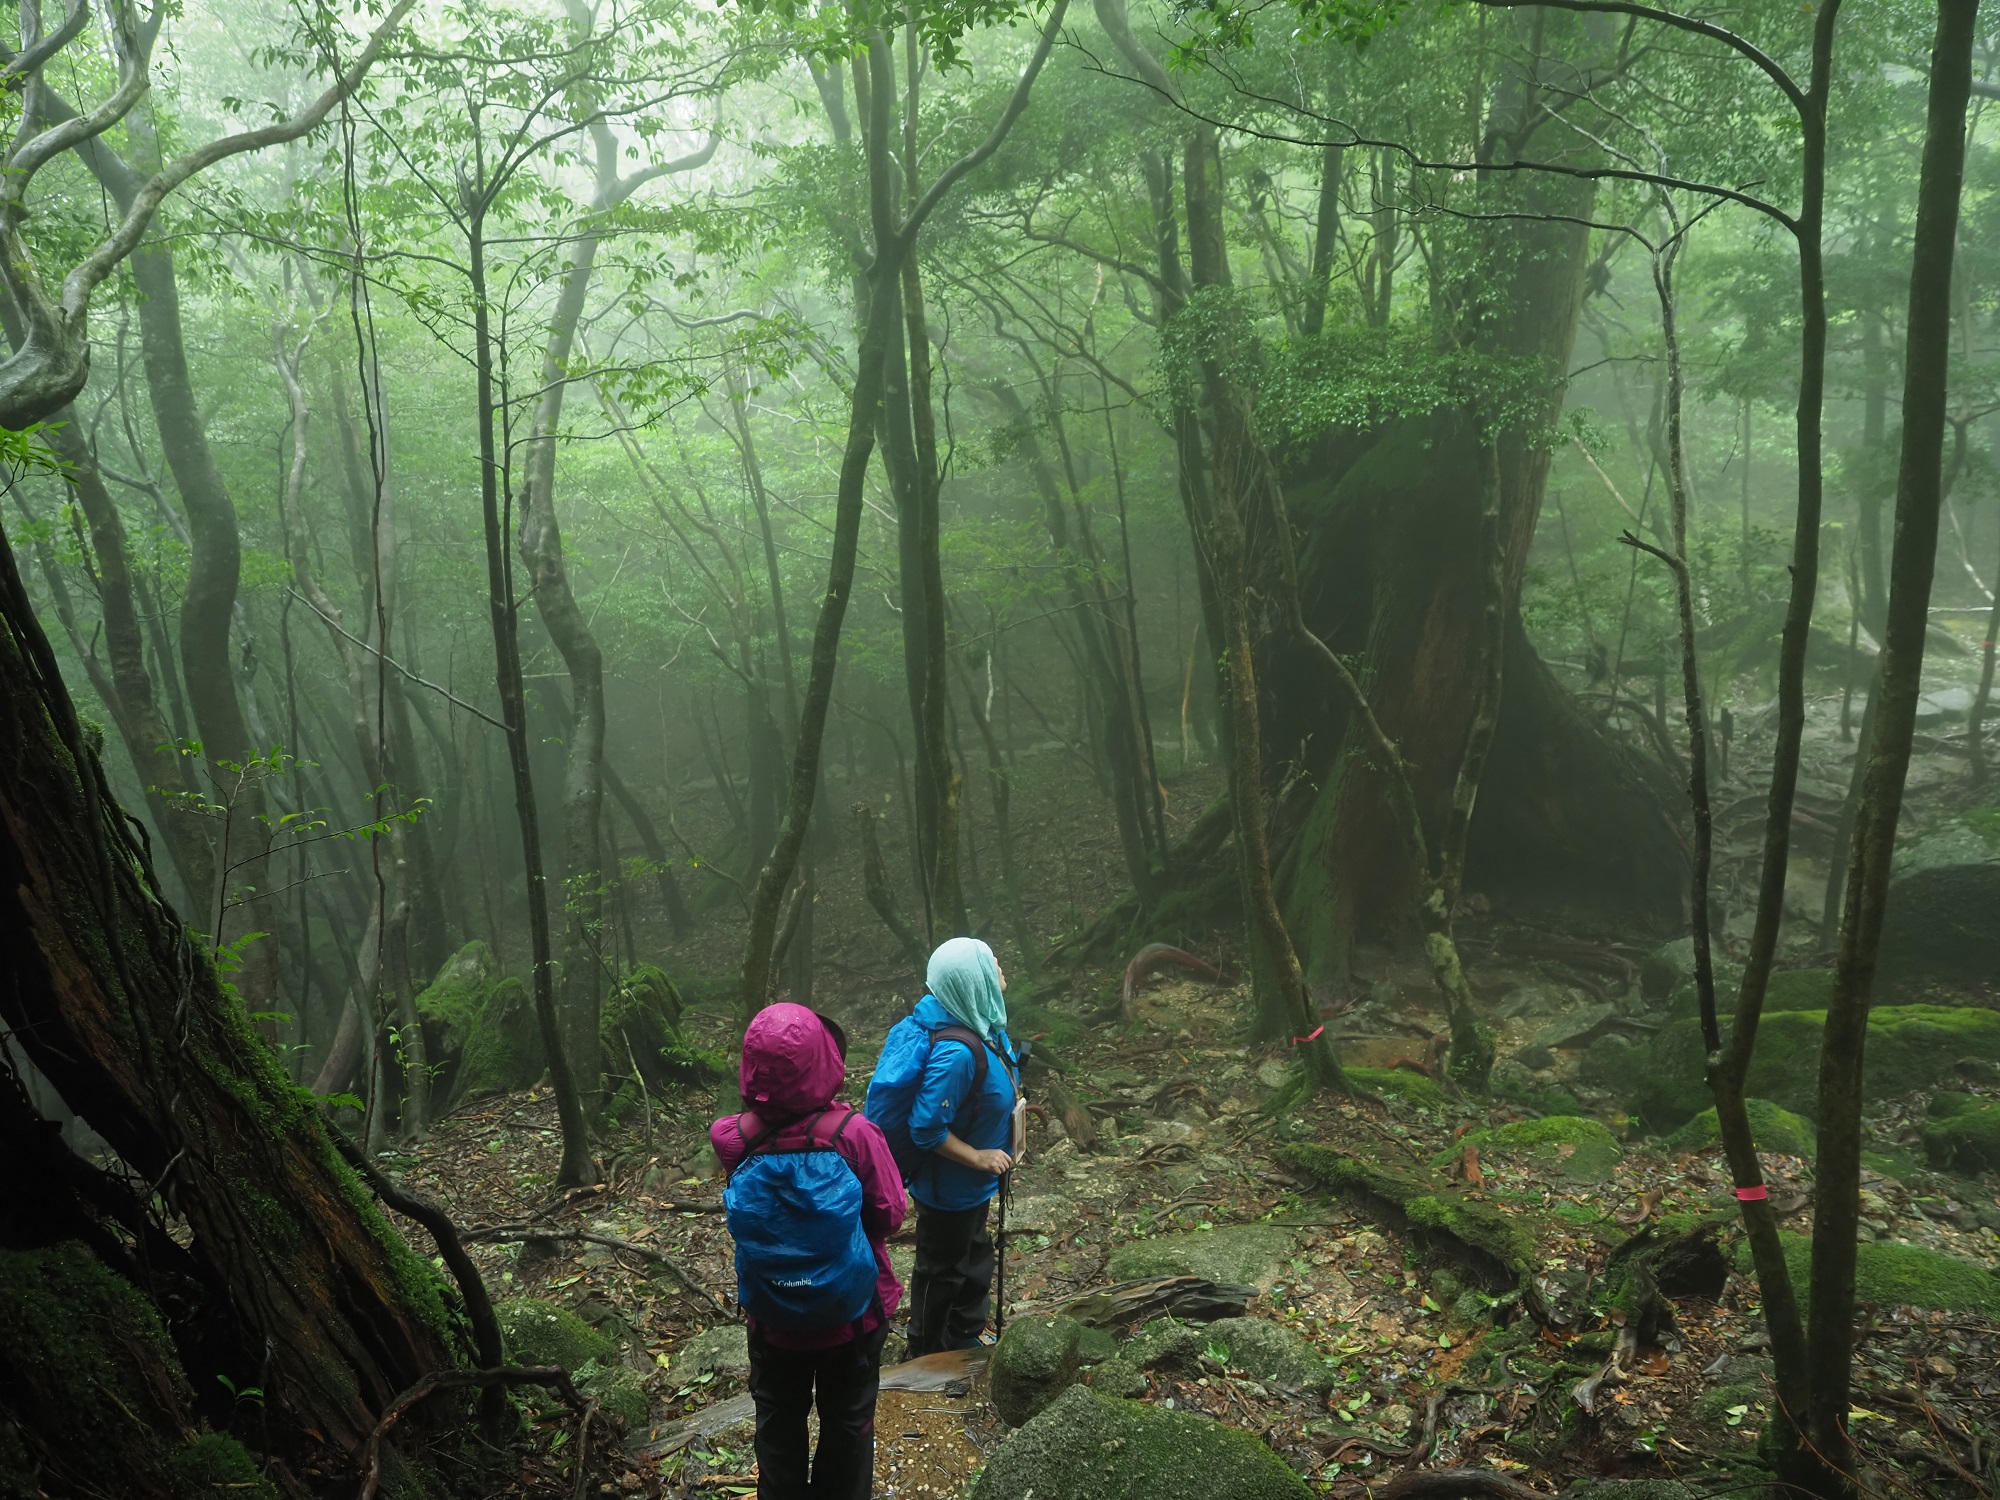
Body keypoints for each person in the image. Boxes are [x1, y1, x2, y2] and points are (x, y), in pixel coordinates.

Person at [714, 1003, 905, 1500]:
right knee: (848, 1425)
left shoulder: (732, 1138)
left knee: (778, 1426)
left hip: (773, 1318)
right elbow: (890, 1214)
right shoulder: (855, 1135)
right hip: (852, 1316)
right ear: (824, 1059)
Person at [865, 937, 1021, 1357]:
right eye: (990, 963)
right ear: (972, 981)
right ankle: (927, 1351)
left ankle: (966, 1333)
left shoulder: (979, 1021)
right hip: (949, 1187)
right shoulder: (956, 1053)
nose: (1000, 966)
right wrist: (978, 1157)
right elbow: (925, 1128)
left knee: (975, 1254)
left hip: (973, 1185)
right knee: (942, 1269)